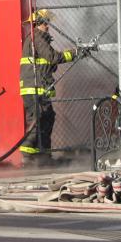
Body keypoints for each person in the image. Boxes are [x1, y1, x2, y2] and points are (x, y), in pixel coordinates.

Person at [19, 9, 76, 167]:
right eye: (46, 23)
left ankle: (42, 156)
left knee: (46, 118)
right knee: (37, 122)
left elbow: (46, 64)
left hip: (37, 88)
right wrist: (74, 54)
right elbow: (52, 57)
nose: (48, 27)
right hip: (35, 89)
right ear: (39, 24)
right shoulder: (38, 37)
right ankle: (27, 157)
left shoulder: (35, 38)